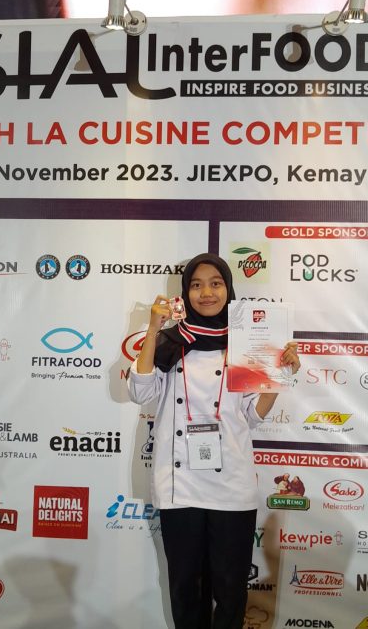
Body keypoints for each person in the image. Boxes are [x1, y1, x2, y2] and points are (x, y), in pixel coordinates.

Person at [127, 253, 300, 629]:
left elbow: (252, 415)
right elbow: (141, 391)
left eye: (216, 283)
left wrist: (278, 374)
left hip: (231, 484)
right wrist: (153, 328)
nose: (206, 292)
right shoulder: (170, 341)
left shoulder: (246, 342)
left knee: (231, 590)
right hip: (180, 486)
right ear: (186, 292)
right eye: (196, 285)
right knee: (185, 589)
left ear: (228, 288)